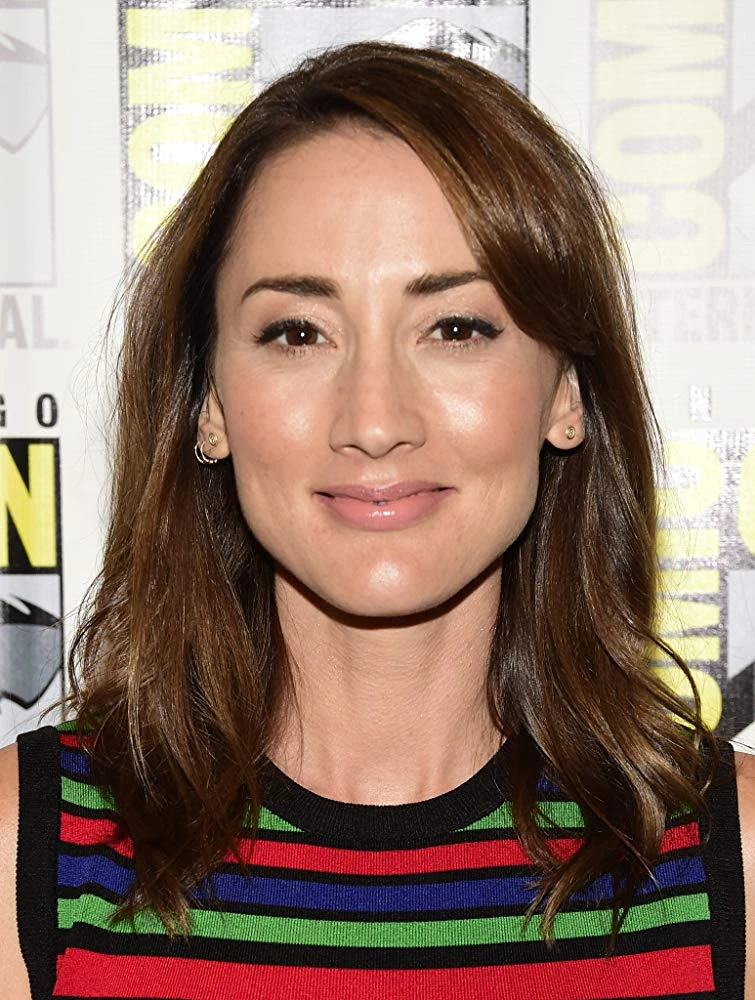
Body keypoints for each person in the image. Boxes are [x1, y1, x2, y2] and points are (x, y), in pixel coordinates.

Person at [1, 39, 753, 999]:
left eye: (455, 328)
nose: (373, 420)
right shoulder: (29, 855)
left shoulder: (731, 864)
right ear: (209, 403)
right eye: (297, 332)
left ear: (565, 390)